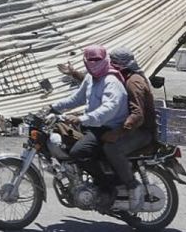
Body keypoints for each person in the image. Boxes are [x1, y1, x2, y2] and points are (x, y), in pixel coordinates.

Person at [48, 45, 128, 194]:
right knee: (62, 137)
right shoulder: (91, 78)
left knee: (79, 152)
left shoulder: (111, 81)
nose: (94, 63)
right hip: (92, 124)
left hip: (107, 127)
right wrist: (52, 107)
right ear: (85, 60)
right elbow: (76, 98)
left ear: (105, 59)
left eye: (97, 59)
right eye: (90, 59)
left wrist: (82, 119)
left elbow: (108, 110)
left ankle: (106, 187)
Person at [102, 47, 157, 211]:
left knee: (111, 148)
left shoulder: (134, 82)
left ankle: (132, 185)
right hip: (132, 128)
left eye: (112, 62)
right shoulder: (123, 77)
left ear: (120, 64)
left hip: (142, 131)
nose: (110, 65)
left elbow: (138, 115)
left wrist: (117, 133)